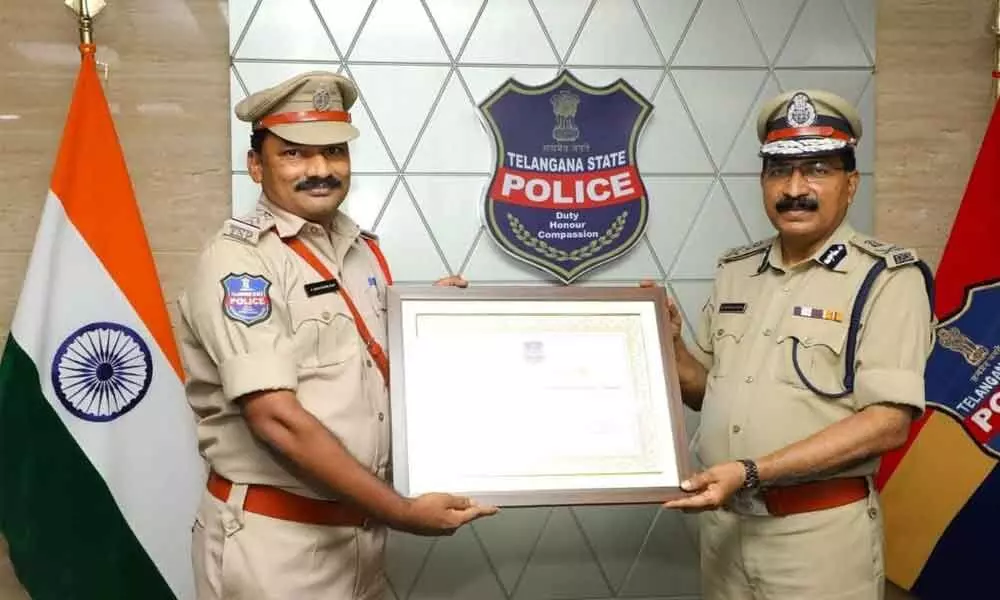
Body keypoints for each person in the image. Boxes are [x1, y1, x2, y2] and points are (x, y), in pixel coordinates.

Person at [176, 70, 497, 600]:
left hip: (356, 538)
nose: (320, 169)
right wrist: (399, 511)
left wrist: (430, 319)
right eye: (295, 154)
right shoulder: (241, 262)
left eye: (334, 152)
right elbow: (274, 416)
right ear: (256, 165)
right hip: (275, 547)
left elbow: (365, 362)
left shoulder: (361, 250)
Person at [658, 90, 935, 599]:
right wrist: (670, 346)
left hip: (817, 537)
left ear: (850, 185)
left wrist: (749, 472)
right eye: (778, 171)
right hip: (724, 531)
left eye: (817, 170)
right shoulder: (736, 271)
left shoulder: (887, 278)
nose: (794, 189)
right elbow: (710, 392)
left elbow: (887, 424)